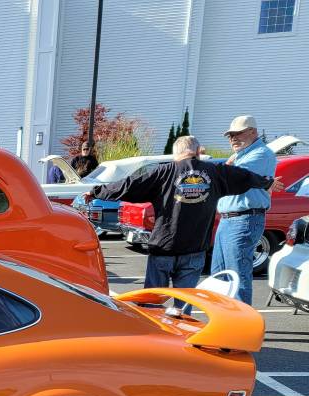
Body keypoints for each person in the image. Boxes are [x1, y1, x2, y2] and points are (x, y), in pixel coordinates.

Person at [85, 135, 281, 304]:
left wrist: (96, 192)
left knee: (152, 302)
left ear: (176, 152)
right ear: (197, 150)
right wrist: (267, 182)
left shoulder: (163, 171)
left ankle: (153, 340)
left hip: (164, 247)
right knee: (184, 305)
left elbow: (128, 185)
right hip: (194, 250)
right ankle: (181, 342)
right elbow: (245, 177)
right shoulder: (216, 172)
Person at [212, 115, 278, 305]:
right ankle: (224, 321)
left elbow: (233, 175)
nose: (233, 138)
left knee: (237, 275)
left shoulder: (261, 154)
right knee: (220, 275)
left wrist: (229, 164)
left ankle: (243, 328)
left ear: (253, 132)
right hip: (228, 220)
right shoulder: (242, 156)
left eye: (238, 133)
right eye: (230, 135)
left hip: (244, 219)